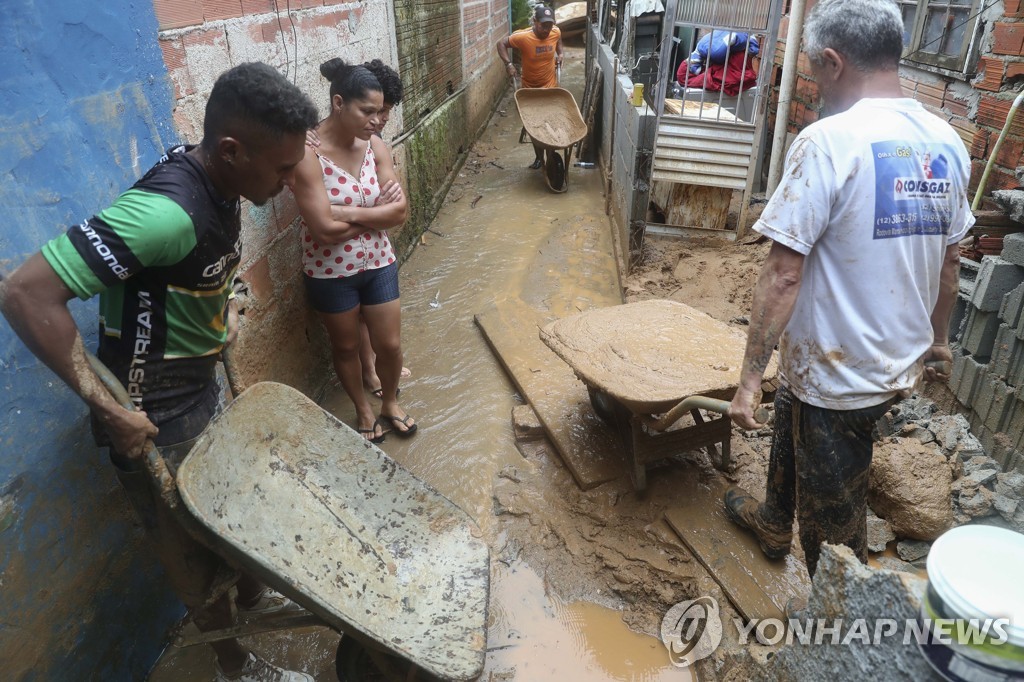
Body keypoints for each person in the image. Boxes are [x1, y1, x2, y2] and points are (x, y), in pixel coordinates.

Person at [0, 63, 320, 681]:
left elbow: (183, 279)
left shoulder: (221, 182)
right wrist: (111, 409)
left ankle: (255, 597)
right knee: (193, 554)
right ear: (231, 151)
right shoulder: (165, 214)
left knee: (232, 514)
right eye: (282, 169)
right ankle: (236, 667)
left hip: (197, 387)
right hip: (153, 415)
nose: (290, 180)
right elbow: (25, 294)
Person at [723, 0, 971, 585]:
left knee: (833, 541)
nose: (813, 82)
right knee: (792, 407)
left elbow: (783, 274)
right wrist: (938, 342)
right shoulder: (946, 140)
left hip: (841, 380)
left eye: (812, 69)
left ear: (834, 62)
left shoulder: (828, 141)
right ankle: (772, 522)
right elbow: (951, 260)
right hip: (890, 361)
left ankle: (839, 625)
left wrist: (747, 383)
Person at [292, 58, 416, 443]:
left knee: (390, 345)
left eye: (380, 111)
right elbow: (324, 231)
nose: (378, 120)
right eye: (369, 111)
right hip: (330, 273)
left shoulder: (375, 145)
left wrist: (347, 211)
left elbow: (400, 212)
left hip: (379, 262)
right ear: (338, 103)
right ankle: (364, 410)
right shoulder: (306, 153)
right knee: (345, 346)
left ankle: (390, 402)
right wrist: (373, 215)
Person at [496, 5, 564, 168]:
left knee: (549, 123)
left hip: (550, 88)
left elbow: (558, 41)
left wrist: (560, 53)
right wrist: (508, 64)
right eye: (543, 25)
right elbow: (501, 44)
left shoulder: (555, 32)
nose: (547, 29)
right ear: (535, 21)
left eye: (549, 25)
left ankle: (551, 155)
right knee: (534, 127)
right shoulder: (523, 37)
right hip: (530, 90)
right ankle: (539, 157)